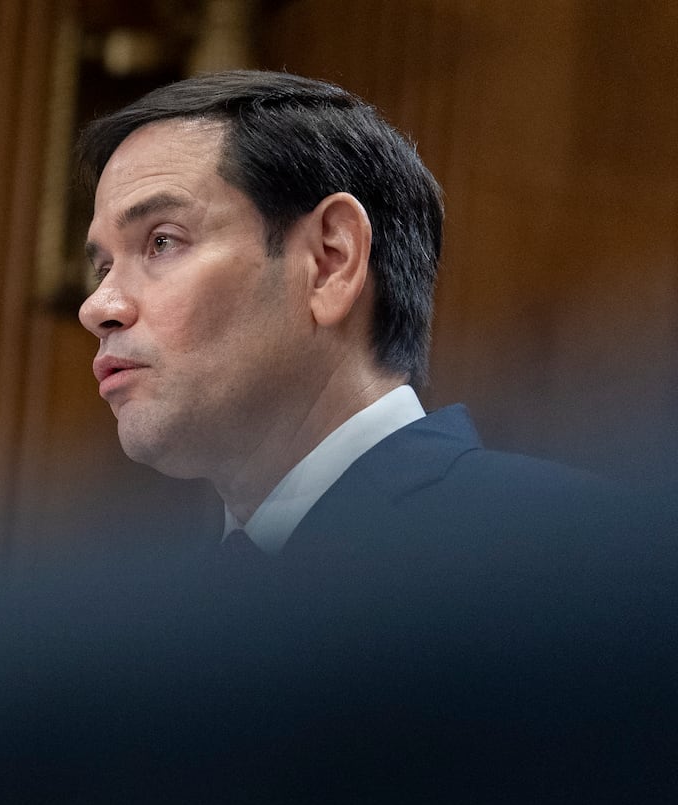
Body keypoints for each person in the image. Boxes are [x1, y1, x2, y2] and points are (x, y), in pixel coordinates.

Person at [75, 70, 616, 567]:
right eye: (102, 267)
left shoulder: (575, 549)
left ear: (329, 262)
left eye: (162, 242)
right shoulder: (154, 607)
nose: (97, 307)